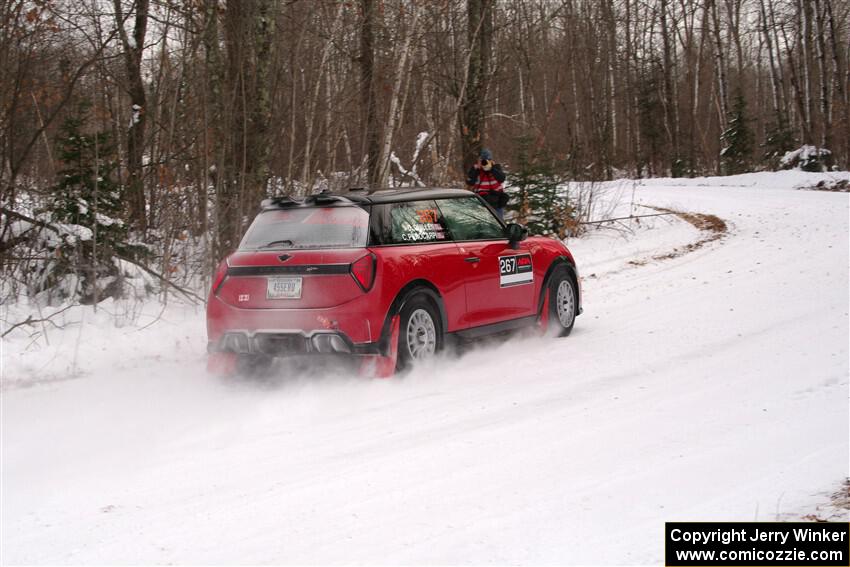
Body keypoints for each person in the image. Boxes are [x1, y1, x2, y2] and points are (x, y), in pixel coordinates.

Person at [466, 148, 508, 219]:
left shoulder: (496, 168)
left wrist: (492, 169)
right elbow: (470, 182)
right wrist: (476, 169)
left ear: (491, 160)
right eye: (483, 160)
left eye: (487, 160)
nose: (485, 163)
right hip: (482, 202)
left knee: (498, 223)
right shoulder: (476, 169)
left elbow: (502, 178)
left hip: (497, 202)